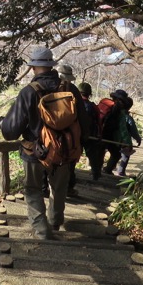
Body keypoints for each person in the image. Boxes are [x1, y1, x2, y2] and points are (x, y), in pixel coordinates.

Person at [0, 46, 90, 240]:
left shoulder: (28, 92)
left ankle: (41, 230)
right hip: (64, 151)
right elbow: (83, 122)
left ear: (33, 68)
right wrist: (79, 144)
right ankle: (55, 221)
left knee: (32, 189)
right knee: (59, 187)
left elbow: (10, 131)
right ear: (51, 66)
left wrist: (2, 123)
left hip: (35, 152)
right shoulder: (69, 88)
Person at [57, 63, 81, 197]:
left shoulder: (50, 88)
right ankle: (68, 189)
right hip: (71, 134)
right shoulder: (73, 90)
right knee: (69, 161)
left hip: (51, 133)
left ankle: (46, 189)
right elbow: (82, 114)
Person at [100, 89, 129, 175]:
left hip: (100, 132)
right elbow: (123, 128)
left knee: (101, 152)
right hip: (111, 135)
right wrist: (127, 142)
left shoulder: (105, 103)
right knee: (116, 154)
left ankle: (96, 170)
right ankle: (107, 170)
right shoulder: (119, 110)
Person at [77, 81, 102, 179]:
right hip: (90, 135)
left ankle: (70, 177)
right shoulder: (93, 106)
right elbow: (98, 122)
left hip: (76, 135)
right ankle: (96, 175)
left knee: (73, 156)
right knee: (92, 156)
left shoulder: (74, 104)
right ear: (89, 94)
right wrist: (99, 135)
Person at [113, 96, 142, 176]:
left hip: (113, 138)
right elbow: (133, 130)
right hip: (124, 140)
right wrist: (138, 138)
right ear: (129, 107)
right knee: (126, 155)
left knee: (114, 154)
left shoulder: (115, 114)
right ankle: (121, 171)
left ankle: (110, 167)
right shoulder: (128, 118)